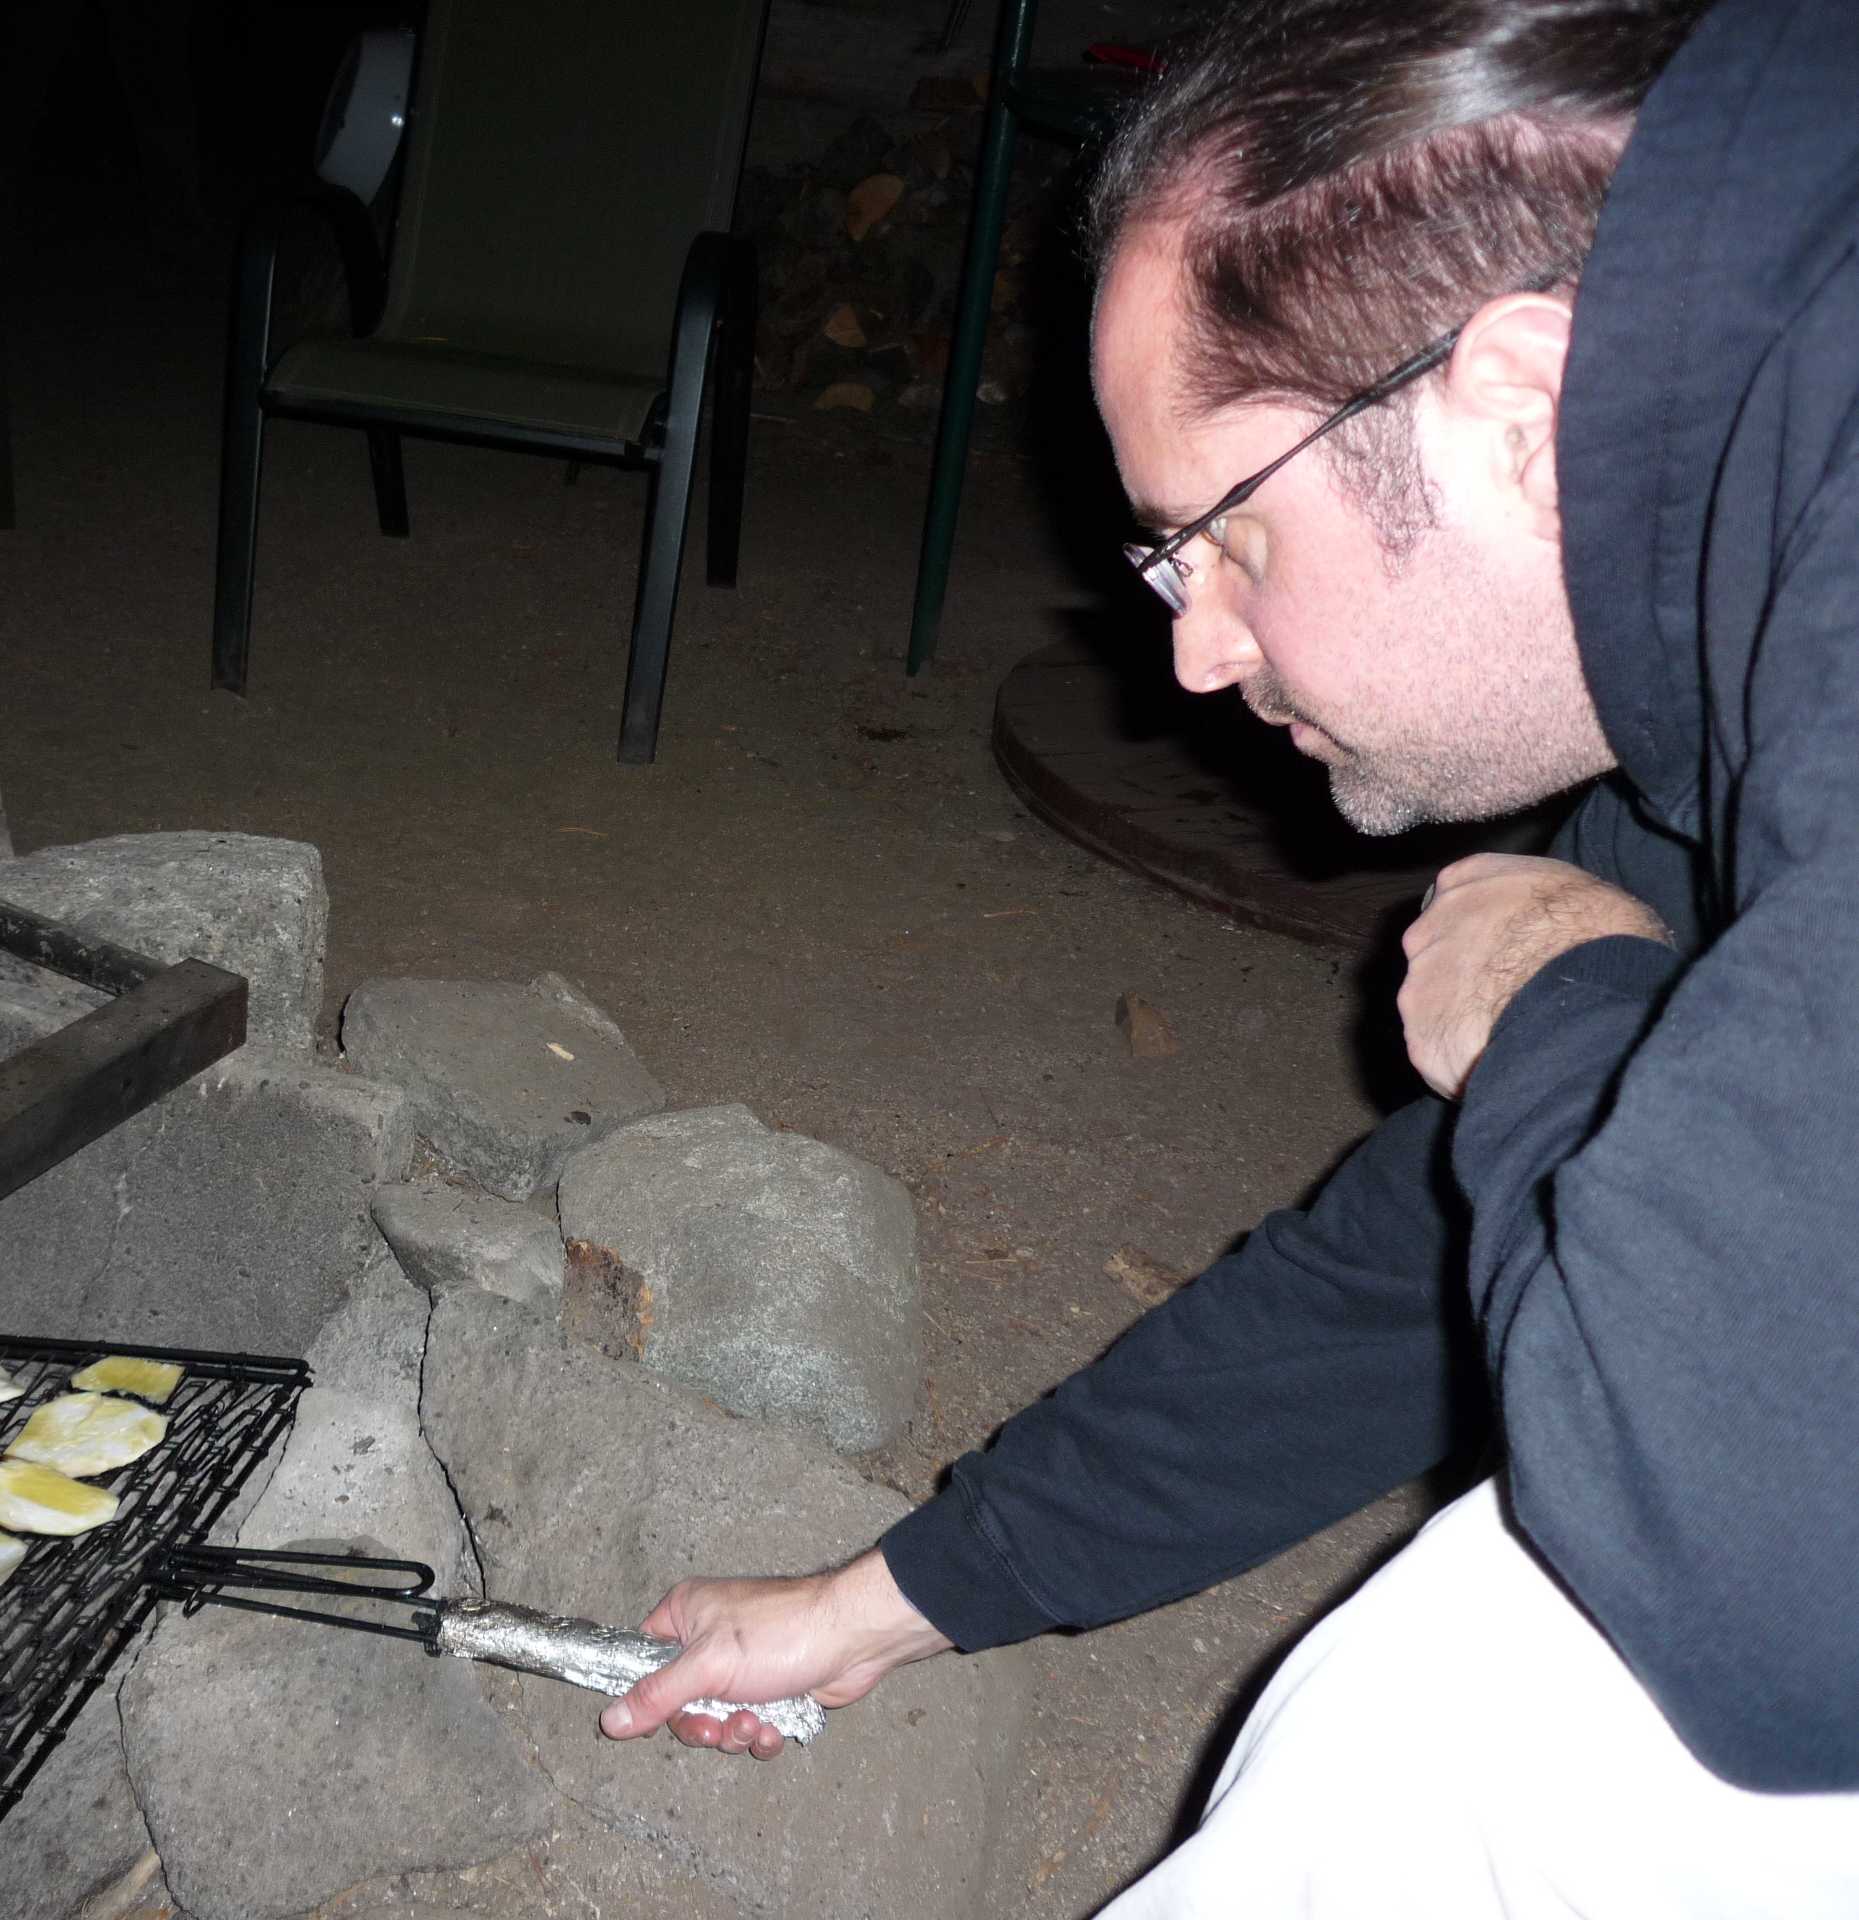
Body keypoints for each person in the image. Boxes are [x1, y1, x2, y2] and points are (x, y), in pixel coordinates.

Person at [600, 0, 1859, 1908]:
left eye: (1223, 544)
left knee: (1589, 1691)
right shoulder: (1731, 582)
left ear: (1526, 413)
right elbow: (1445, 1242)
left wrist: (1550, 1021)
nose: (1188, 656)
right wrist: (890, 1602)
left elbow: (1773, 1580)